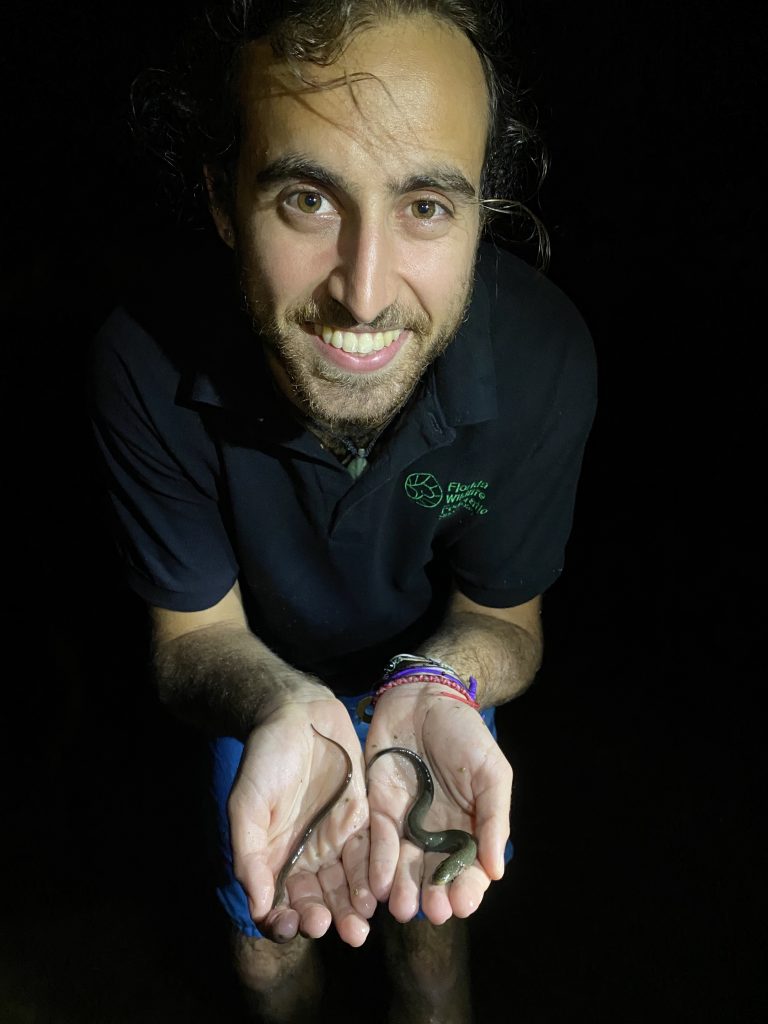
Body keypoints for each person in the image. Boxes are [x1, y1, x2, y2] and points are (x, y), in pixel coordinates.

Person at [89, 1, 596, 1020]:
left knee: (431, 945)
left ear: (480, 213)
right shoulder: (140, 359)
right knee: (267, 957)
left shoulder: (545, 359)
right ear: (226, 203)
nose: (362, 295)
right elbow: (193, 632)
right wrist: (283, 705)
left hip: (435, 687)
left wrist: (434, 682)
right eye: (309, 199)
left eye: (425, 206)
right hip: (264, 695)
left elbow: (505, 620)